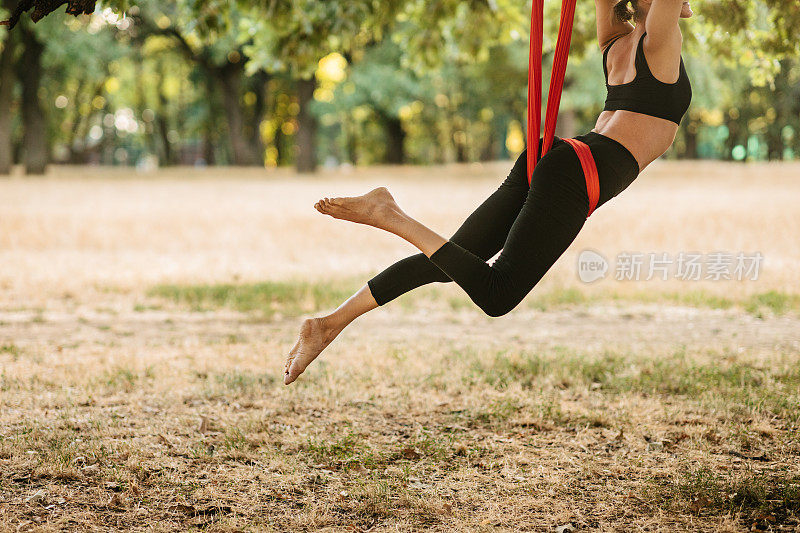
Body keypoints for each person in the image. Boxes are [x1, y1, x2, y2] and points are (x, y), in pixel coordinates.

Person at [284, 0, 693, 385]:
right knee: (498, 294)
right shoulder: (658, 43)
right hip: (577, 174)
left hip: (554, 156)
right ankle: (389, 215)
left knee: (448, 260)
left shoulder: (615, 42)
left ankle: (327, 324)